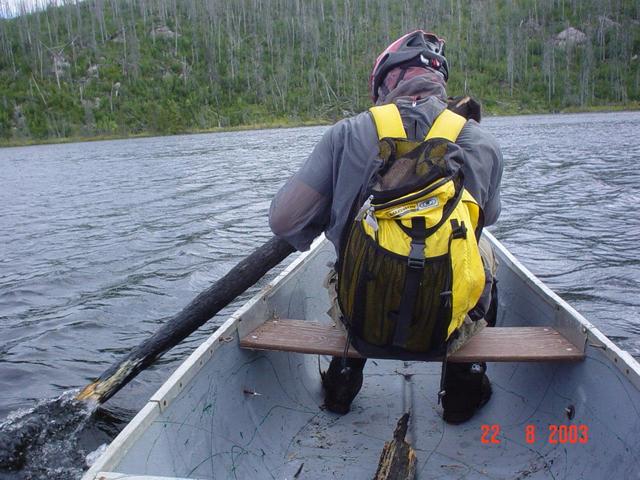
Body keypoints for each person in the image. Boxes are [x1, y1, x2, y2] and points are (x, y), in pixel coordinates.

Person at [269, 30, 503, 423]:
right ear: (439, 83)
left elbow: (285, 222)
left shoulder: (347, 134)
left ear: (384, 83)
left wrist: (336, 205)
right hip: (447, 324)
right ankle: (463, 389)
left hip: (362, 319)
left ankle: (342, 383)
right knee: (486, 257)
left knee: (348, 258)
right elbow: (489, 217)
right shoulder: (481, 141)